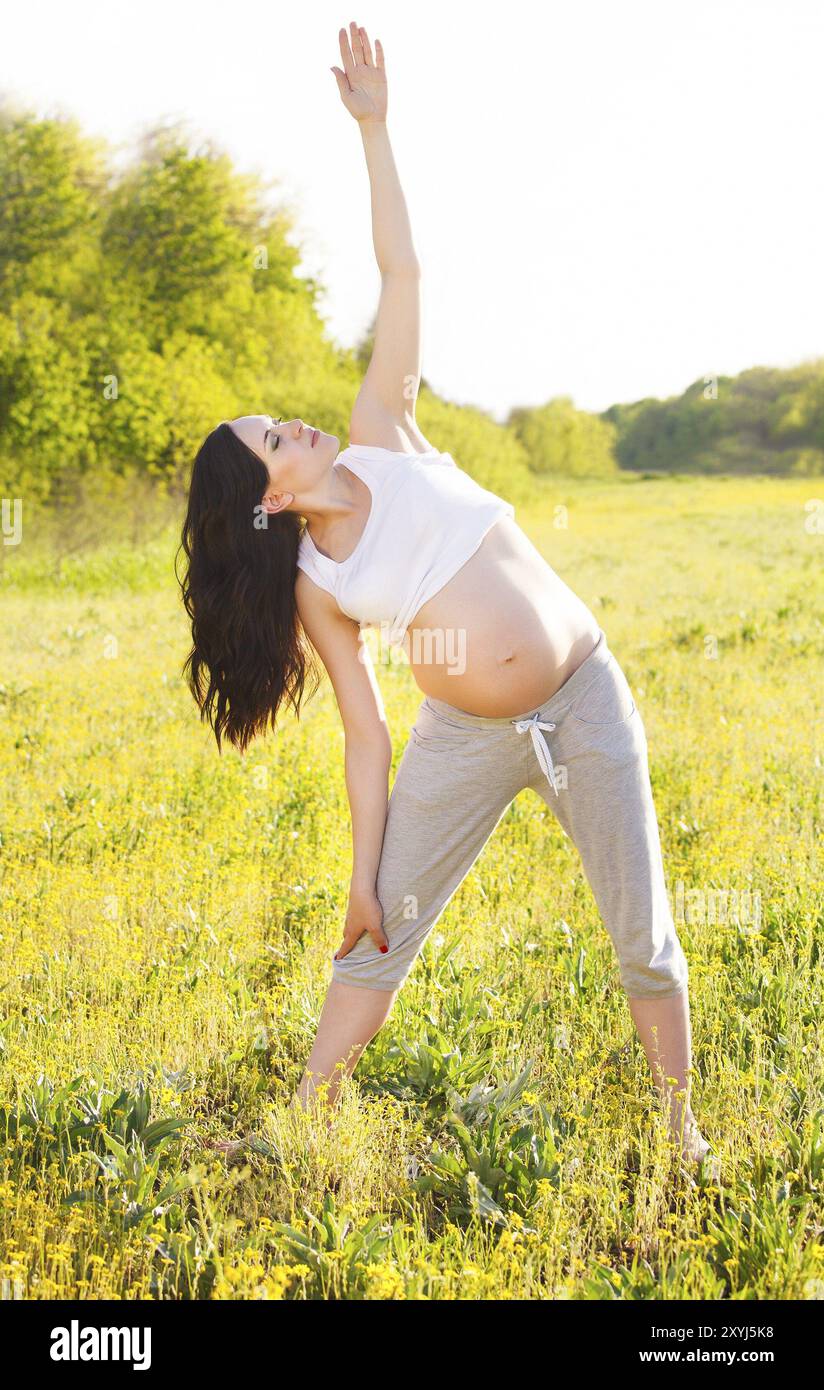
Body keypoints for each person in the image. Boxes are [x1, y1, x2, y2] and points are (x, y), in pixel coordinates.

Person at [179, 22, 712, 1166]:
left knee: (645, 931)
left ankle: (683, 1135)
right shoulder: (318, 585)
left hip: (582, 696)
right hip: (462, 736)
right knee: (375, 935)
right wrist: (360, 876)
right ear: (267, 501)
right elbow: (365, 740)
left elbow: (401, 273)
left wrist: (374, 129)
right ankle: (303, 1118)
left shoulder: (384, 432)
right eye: (273, 438)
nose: (295, 422)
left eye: (278, 416)